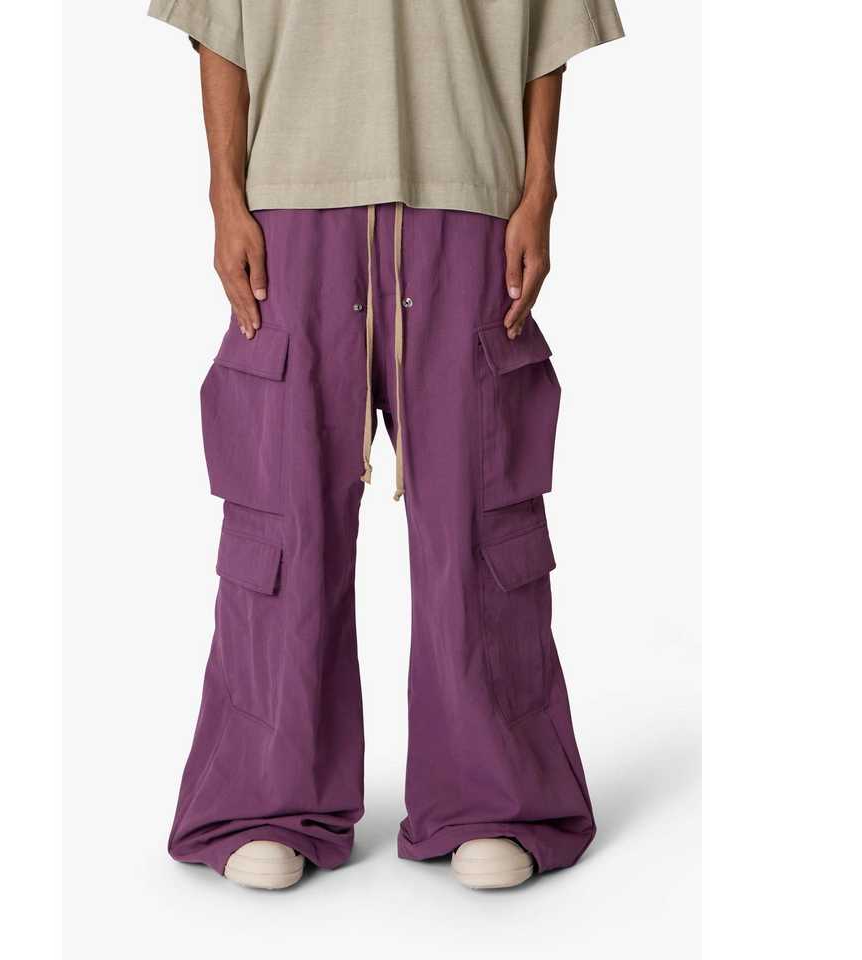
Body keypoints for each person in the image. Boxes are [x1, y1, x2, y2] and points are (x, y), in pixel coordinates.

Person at [148, 0, 623, 891]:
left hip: (470, 201)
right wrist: (225, 196)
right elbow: (219, 26)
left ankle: (495, 799)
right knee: (283, 520)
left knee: (478, 519)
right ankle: (264, 800)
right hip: (289, 205)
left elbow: (547, 31)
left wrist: (539, 192)